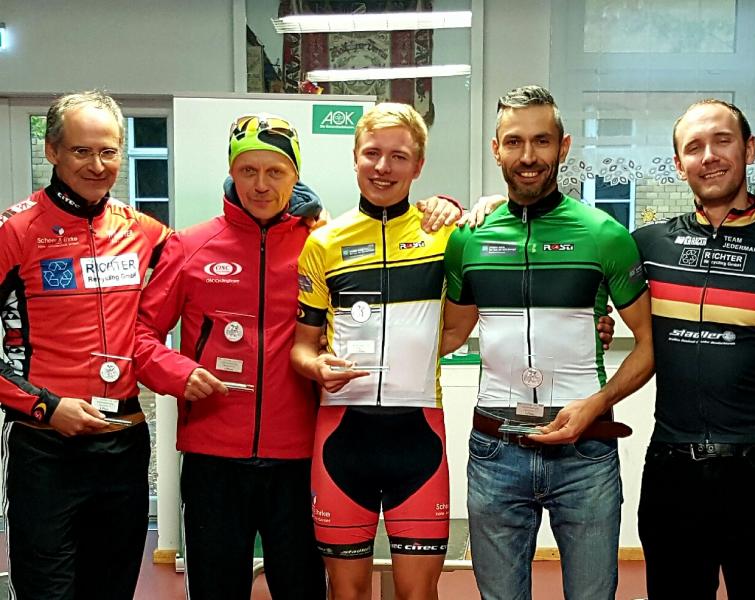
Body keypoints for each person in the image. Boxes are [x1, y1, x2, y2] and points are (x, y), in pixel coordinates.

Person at [133, 112, 462, 600]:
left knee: (303, 591)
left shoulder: (319, 241)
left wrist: (448, 205)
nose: (261, 185)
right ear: (231, 171)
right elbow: (140, 336)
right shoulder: (190, 246)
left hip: (299, 455)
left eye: (276, 171)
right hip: (213, 456)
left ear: (295, 175)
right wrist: (179, 373)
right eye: (248, 170)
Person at [440, 84, 654, 600]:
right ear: (496, 149)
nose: (528, 156)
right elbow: (450, 333)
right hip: (496, 448)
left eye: (542, 141)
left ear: (564, 146)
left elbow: (649, 345)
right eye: (514, 142)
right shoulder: (469, 237)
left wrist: (597, 404)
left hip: (586, 449)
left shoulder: (604, 234)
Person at [0, 91, 171, 600]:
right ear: (52, 150)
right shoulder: (15, 230)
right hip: (46, 447)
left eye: (108, 151)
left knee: (112, 590)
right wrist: (45, 406)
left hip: (123, 442)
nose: (97, 166)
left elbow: (216, 252)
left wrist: (298, 216)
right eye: (81, 151)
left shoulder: (141, 230)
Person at [633, 99, 755, 598]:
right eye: (694, 147)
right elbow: (573, 255)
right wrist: (489, 206)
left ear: (749, 149)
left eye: (722, 141)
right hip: (671, 473)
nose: (709, 156)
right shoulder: (646, 246)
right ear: (678, 163)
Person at [291, 103, 456, 600]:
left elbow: (462, 319)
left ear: (418, 165)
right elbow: (301, 350)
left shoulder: (446, 234)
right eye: (372, 153)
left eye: (398, 156)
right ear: (355, 157)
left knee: (417, 595)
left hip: (420, 438)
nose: (383, 167)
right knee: (347, 595)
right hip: (342, 436)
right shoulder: (323, 243)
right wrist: (316, 366)